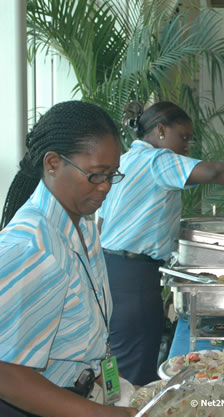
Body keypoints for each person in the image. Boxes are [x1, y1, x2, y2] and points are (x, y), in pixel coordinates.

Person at [98, 101, 224, 386]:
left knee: (123, 363)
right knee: (133, 371)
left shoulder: (126, 160)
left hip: (112, 270)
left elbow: (101, 224)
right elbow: (214, 172)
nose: (187, 145)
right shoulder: (158, 161)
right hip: (134, 278)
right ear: (160, 130)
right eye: (183, 137)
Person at [0, 101, 135, 417]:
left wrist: (122, 394)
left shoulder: (84, 226)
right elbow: (6, 373)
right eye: (96, 175)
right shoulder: (31, 247)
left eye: (111, 175)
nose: (105, 188)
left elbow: (94, 341)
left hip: (80, 396)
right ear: (52, 163)